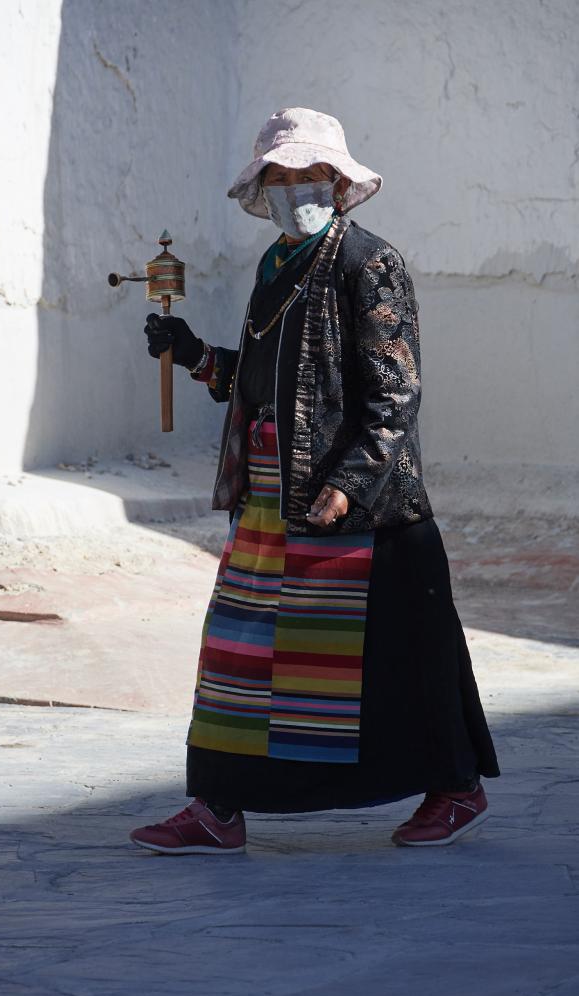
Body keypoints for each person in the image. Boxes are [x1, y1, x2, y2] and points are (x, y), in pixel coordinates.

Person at [130, 107, 500, 855]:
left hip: (362, 512)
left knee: (391, 662)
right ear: (262, 189)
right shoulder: (275, 268)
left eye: (310, 174)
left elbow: (394, 396)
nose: (296, 187)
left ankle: (455, 790)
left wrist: (348, 485)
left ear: (337, 182)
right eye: (281, 176)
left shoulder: (370, 264)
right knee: (242, 650)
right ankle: (217, 807)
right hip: (270, 496)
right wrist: (197, 355)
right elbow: (275, 384)